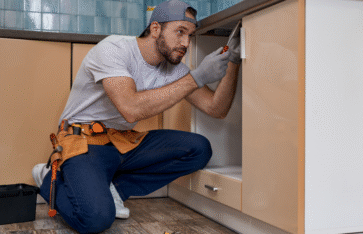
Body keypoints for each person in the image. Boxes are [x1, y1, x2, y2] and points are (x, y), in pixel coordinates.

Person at [31, 0, 241, 233]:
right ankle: (48, 179)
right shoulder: (114, 49)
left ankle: (116, 189)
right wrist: (196, 78)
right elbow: (130, 108)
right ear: (155, 29)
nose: (186, 43)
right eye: (180, 32)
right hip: (85, 143)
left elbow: (216, 108)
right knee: (96, 220)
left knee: (199, 148)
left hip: (122, 143)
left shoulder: (175, 69)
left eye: (190, 35)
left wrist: (233, 61)